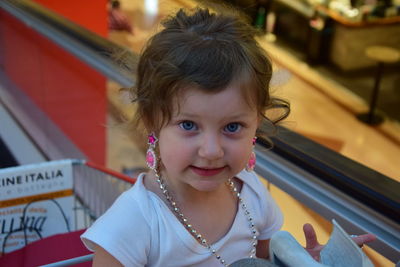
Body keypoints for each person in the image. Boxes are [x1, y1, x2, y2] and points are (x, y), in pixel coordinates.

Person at [81, 7, 375, 266]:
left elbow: (262, 262)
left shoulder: (253, 196)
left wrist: (299, 261)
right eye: (188, 125)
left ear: (256, 123)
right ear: (152, 121)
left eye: (232, 127)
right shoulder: (133, 225)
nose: (211, 151)